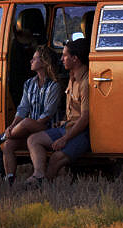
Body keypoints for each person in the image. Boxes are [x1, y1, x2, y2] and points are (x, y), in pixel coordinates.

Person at [24, 37, 91, 186]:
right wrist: (62, 123)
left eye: (65, 55)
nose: (61, 59)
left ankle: (43, 186)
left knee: (55, 158)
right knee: (33, 140)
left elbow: (85, 118)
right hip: (66, 127)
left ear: (75, 59)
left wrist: (64, 139)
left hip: (80, 133)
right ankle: (39, 175)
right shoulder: (71, 77)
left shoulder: (85, 83)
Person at [0, 44, 62, 185]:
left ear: (44, 62)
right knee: (8, 145)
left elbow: (47, 115)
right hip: (27, 128)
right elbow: (22, 108)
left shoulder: (54, 86)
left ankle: (0, 137)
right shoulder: (29, 84)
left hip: (47, 129)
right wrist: (13, 125)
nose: (31, 61)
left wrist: (23, 126)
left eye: (35, 58)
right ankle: (9, 180)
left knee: (27, 122)